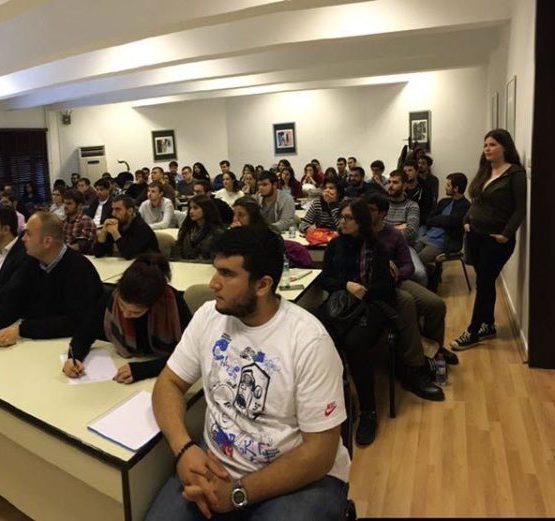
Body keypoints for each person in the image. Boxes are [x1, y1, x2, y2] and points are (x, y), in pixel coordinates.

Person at [146, 226, 349, 521]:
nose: (213, 283)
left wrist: (237, 493)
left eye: (227, 274)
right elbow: (169, 382)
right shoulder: (209, 316)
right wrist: (183, 449)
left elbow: (319, 454)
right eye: (216, 270)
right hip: (217, 461)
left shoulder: (309, 341)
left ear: (263, 285)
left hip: (297, 477)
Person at [318, 199, 395, 446]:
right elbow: (325, 279)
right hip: (341, 304)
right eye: (341, 217)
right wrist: (346, 285)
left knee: (355, 343)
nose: (342, 222)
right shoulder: (335, 245)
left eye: (348, 218)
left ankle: (368, 411)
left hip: (371, 303)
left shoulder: (376, 247)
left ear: (361, 221)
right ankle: (337, 396)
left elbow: (385, 286)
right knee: (319, 337)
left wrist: (363, 291)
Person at [365, 193, 453, 396]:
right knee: (407, 303)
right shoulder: (361, 233)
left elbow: (408, 265)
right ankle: (414, 367)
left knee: (436, 304)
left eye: (371, 210)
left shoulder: (394, 235)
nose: (366, 213)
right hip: (375, 285)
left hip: (397, 281)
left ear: (382, 213)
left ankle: (433, 350)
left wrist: (399, 272)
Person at [451, 129, 528, 350]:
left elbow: (520, 209)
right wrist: (466, 220)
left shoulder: (515, 173)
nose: (487, 148)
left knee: (484, 283)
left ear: (505, 147)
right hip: (475, 235)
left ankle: (472, 331)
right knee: (485, 281)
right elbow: (476, 200)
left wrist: (507, 233)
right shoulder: (486, 170)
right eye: (485, 145)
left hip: (496, 240)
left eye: (492, 144)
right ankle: (489, 324)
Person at [0, 211, 102, 347]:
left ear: (47, 241)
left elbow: (75, 321)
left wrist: (21, 330)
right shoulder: (32, 261)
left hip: (66, 346)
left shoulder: (80, 269)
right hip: (36, 341)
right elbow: (15, 300)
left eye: (28, 234)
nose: (23, 239)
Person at [65, 253, 190, 384]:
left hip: (163, 377)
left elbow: (188, 354)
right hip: (120, 368)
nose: (125, 314)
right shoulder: (112, 297)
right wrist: (74, 358)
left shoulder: (172, 305)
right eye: (122, 306)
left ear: (152, 305)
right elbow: (85, 333)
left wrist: (143, 370)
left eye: (135, 312)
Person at [416, 173, 470, 290]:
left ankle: (427, 288)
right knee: (410, 253)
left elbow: (453, 222)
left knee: (419, 259)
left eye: (448, 185)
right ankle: (430, 272)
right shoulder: (444, 201)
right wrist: (443, 220)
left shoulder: (465, 206)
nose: (446, 187)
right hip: (429, 236)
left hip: (444, 242)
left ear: (456, 188)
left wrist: (440, 219)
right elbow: (429, 219)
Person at [231, 198, 312, 269]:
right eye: (234, 215)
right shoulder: (234, 234)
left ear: (253, 217)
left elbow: (259, 263)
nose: (235, 219)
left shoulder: (270, 236)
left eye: (241, 215)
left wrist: (242, 238)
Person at [95, 197, 160, 259]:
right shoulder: (118, 223)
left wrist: (115, 233)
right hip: (122, 264)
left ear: (130, 211)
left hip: (148, 264)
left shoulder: (142, 228)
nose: (113, 214)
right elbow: (98, 253)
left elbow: (128, 254)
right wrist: (104, 231)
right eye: (113, 209)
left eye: (118, 209)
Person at [172, 195, 225, 262]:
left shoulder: (217, 233)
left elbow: (216, 259)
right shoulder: (187, 229)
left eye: (195, 208)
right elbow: (176, 252)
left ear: (206, 209)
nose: (191, 211)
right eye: (190, 208)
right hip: (184, 265)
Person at [384, 170, 421, 243]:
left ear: (404, 186)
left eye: (395, 182)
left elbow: (411, 232)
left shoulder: (412, 206)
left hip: (402, 245)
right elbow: (373, 227)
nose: (390, 186)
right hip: (380, 243)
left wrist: (384, 231)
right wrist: (400, 227)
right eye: (389, 182)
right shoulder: (383, 203)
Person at [62, 188, 97, 252]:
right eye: (64, 203)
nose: (65, 206)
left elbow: (82, 246)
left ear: (79, 205)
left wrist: (62, 250)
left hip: (80, 256)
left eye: (69, 203)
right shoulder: (64, 221)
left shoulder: (86, 221)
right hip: (66, 254)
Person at [402, 161, 435, 225]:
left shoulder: (425, 188)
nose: (407, 173)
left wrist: (411, 223)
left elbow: (426, 212)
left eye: (410, 170)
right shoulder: (400, 188)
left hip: (419, 222)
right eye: (405, 171)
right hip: (401, 221)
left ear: (417, 172)